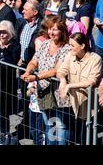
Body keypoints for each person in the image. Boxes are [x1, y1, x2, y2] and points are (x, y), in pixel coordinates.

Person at [21, 16, 71, 145]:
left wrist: (36, 77)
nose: (51, 32)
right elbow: (34, 61)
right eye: (50, 29)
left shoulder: (67, 48)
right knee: (48, 123)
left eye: (55, 29)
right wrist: (28, 71)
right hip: (43, 90)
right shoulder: (45, 44)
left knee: (60, 125)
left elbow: (56, 70)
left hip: (58, 91)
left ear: (62, 31)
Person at [57, 32, 102, 145]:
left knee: (85, 138)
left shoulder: (95, 59)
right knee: (71, 137)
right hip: (72, 104)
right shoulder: (70, 55)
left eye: (73, 45)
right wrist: (63, 80)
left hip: (88, 107)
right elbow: (61, 71)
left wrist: (69, 85)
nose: (70, 48)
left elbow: (92, 81)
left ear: (82, 46)